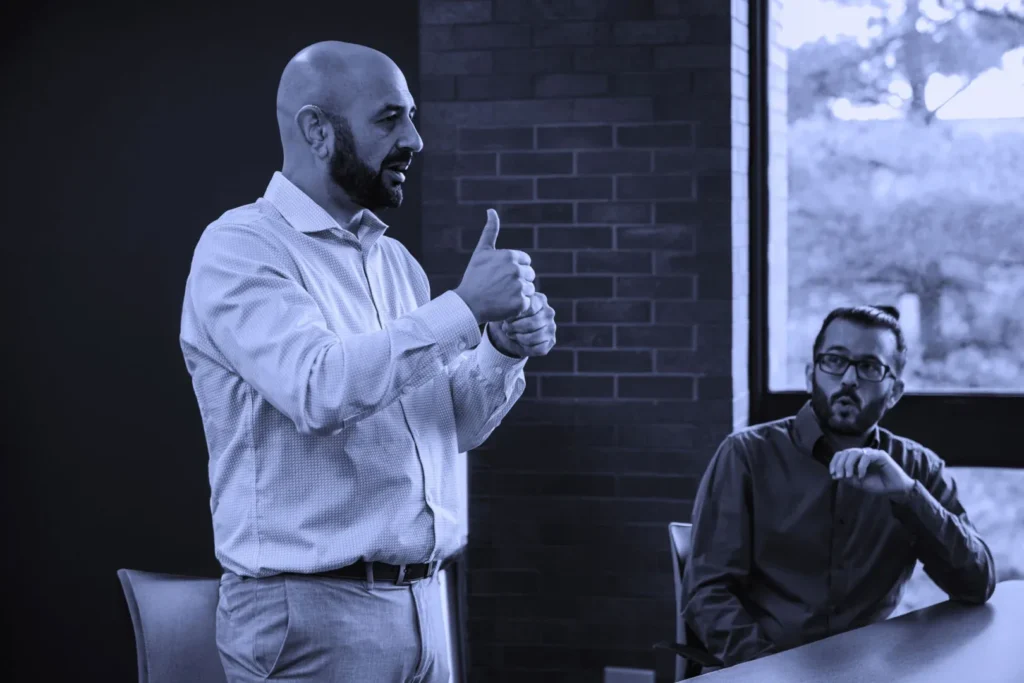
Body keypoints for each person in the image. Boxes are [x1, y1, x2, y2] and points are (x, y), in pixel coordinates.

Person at [179, 41, 557, 683]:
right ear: (317, 130)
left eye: (414, 116)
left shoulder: (395, 264)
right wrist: (464, 307)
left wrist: (499, 347)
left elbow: (448, 428)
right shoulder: (241, 247)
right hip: (309, 618)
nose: (415, 138)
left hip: (424, 608)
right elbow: (320, 389)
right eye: (389, 118)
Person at [681, 305, 996, 669]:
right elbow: (708, 594)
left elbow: (977, 585)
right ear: (810, 373)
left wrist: (908, 496)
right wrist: (766, 671)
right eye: (835, 360)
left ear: (894, 392)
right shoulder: (746, 456)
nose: (848, 379)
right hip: (762, 669)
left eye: (869, 367)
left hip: (870, 670)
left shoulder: (917, 469)